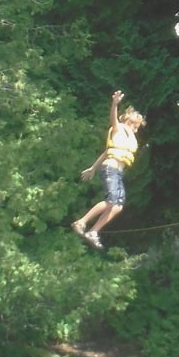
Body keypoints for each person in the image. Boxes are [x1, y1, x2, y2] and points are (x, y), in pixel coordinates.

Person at [71, 90, 146, 250]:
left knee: (118, 206)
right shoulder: (119, 129)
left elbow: (106, 152)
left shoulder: (126, 138)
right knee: (111, 200)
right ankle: (81, 222)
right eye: (135, 126)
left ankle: (93, 232)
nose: (136, 129)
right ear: (129, 122)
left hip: (117, 173)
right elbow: (113, 118)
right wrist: (115, 104)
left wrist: (92, 168)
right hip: (111, 169)